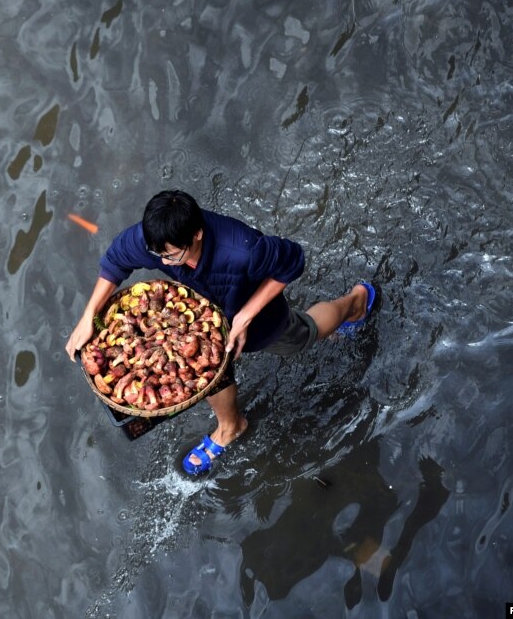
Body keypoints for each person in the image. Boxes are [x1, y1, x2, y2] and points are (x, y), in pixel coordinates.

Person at [64, 189, 376, 477]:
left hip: (255, 313)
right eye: (157, 253)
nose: (161, 262)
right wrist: (88, 315)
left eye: (170, 256)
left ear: (197, 235)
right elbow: (116, 260)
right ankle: (231, 426)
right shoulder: (159, 238)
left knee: (303, 335)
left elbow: (293, 261)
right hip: (203, 314)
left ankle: (354, 302)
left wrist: (244, 316)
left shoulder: (243, 249)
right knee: (213, 373)